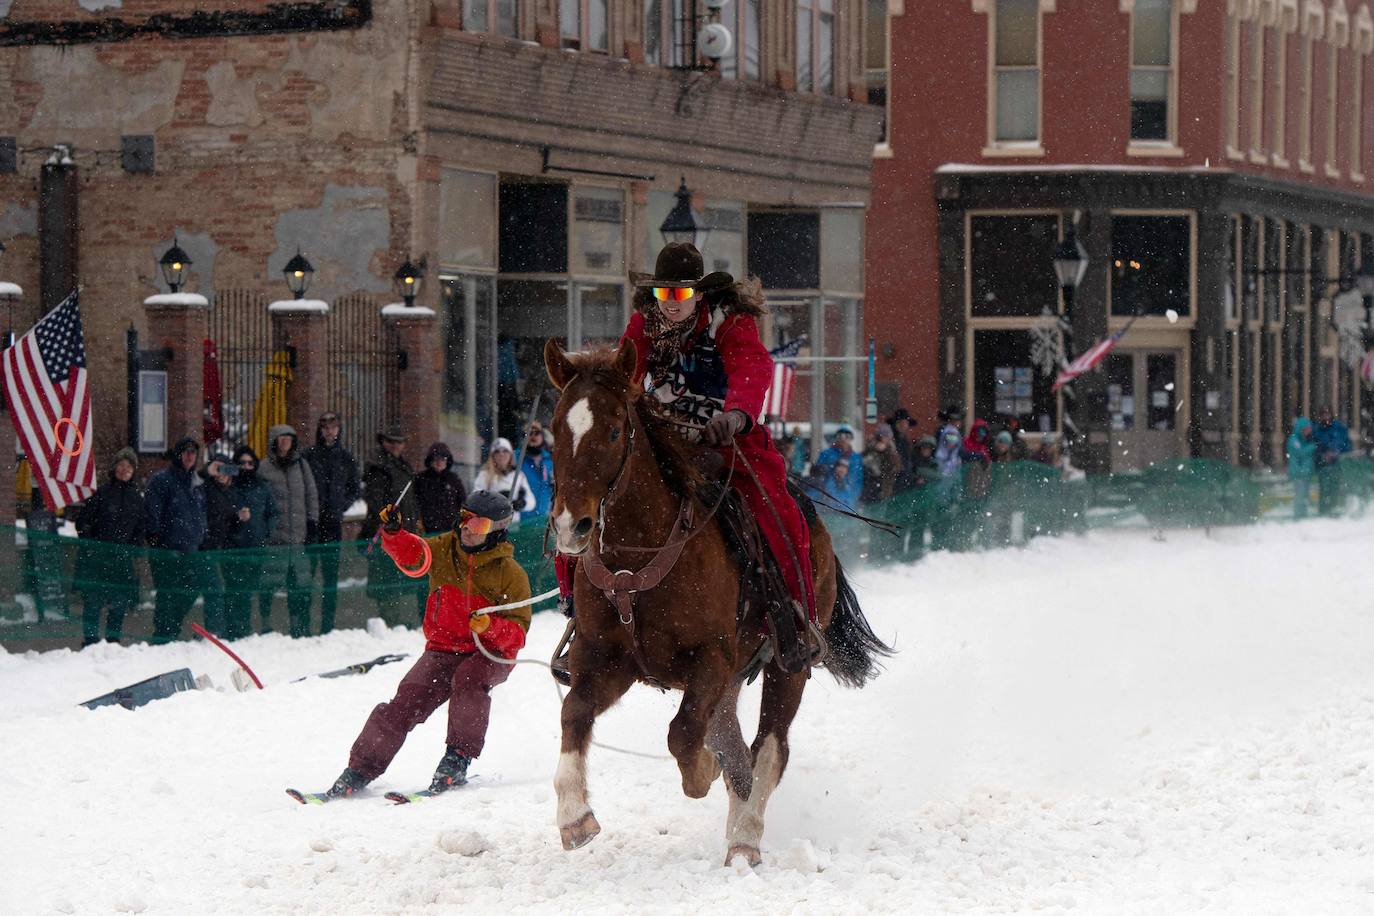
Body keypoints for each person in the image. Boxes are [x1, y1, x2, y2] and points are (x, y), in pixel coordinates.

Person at [555, 242, 817, 677]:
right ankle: (576, 613)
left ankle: (793, 614)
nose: (670, 306)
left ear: (699, 295)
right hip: (664, 439)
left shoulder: (727, 323)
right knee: (580, 495)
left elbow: (752, 369)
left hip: (727, 439)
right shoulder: (644, 325)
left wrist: (735, 415)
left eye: (679, 296)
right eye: (663, 295)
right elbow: (627, 374)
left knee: (778, 508)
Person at [317, 491, 531, 800]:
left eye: (479, 525)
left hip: (489, 652)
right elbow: (414, 556)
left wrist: (491, 627)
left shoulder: (510, 575)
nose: (468, 529)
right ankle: (361, 768)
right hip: (444, 647)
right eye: (464, 519)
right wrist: (393, 533)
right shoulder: (446, 548)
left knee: (469, 679)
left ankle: (457, 758)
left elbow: (518, 634)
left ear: (498, 530)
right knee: (406, 700)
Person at [75, 448, 145, 647]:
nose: (124, 470)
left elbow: (140, 530)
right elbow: (82, 522)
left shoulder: (137, 499)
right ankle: (90, 642)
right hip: (97, 559)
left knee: (119, 603)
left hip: (122, 560)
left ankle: (113, 642)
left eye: (129, 466)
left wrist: (135, 550)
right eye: (121, 465)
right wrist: (92, 543)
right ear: (115, 467)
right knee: (93, 602)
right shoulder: (101, 493)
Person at [143, 437, 210, 644]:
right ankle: (163, 635)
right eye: (186, 453)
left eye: (193, 453)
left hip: (191, 549)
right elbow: (152, 512)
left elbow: (201, 513)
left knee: (189, 591)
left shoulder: (196, 483)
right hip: (167, 550)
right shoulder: (162, 480)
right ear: (178, 455)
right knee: (167, 594)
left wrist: (203, 538)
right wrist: (156, 540)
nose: (190, 457)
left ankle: (172, 627)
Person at [257, 424, 320, 637]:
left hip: (298, 538)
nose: (285, 442)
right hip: (275, 539)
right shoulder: (264, 467)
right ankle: (267, 625)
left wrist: (312, 522)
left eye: (289, 439)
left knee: (300, 586)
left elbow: (311, 495)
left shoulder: (301, 466)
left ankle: (300, 626)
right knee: (269, 585)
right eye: (281, 438)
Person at [304, 411, 361, 635]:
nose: (329, 431)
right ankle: (304, 625)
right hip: (312, 522)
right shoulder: (309, 456)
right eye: (326, 427)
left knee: (330, 577)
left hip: (333, 523)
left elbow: (354, 489)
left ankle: (327, 626)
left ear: (339, 429)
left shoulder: (346, 458)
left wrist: (340, 506)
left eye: (333, 427)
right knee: (306, 575)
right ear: (320, 429)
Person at [362, 427, 422, 626]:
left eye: (400, 442)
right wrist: (389, 520)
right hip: (388, 532)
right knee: (387, 577)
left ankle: (395, 621)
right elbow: (376, 500)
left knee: (398, 575)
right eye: (391, 441)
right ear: (384, 442)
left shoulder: (401, 465)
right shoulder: (379, 466)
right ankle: (390, 621)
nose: (396, 445)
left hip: (403, 531)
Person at [223, 446, 277, 640]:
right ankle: (233, 628)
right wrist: (236, 518)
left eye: (250, 463)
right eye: (242, 463)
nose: (246, 466)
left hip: (256, 547)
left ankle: (245, 627)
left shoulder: (262, 486)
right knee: (234, 590)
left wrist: (265, 532)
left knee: (249, 590)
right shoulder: (230, 485)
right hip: (234, 547)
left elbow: (272, 512)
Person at [198, 452, 242, 636]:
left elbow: (229, 521)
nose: (222, 473)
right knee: (213, 591)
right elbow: (195, 480)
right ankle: (215, 632)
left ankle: (225, 630)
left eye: (226, 469)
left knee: (223, 590)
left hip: (223, 549)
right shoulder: (204, 486)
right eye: (218, 469)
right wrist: (207, 472)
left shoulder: (232, 492)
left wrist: (240, 519)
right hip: (205, 548)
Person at [472, 438, 536, 520]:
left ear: (510, 454)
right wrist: (495, 502)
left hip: (514, 526)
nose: (501, 454)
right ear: (492, 456)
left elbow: (531, 501)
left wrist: (522, 503)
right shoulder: (484, 475)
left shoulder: (519, 476)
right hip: (493, 526)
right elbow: (475, 502)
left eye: (505, 451)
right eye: (497, 451)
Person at [415, 442, 468, 534]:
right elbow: (415, 503)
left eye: (443, 459)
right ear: (430, 460)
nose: (439, 462)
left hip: (450, 529)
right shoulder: (421, 479)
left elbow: (463, 502)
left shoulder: (453, 479)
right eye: (436, 458)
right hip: (428, 529)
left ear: (447, 461)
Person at [813, 424, 864, 509]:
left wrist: (853, 499)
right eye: (840, 436)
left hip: (846, 503)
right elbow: (816, 474)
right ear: (836, 437)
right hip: (825, 499)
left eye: (847, 436)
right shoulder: (826, 454)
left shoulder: (856, 458)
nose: (843, 439)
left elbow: (857, 481)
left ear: (851, 438)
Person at [1312, 406, 1351, 515]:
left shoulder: (1339, 429)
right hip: (1323, 466)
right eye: (1323, 414)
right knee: (1324, 490)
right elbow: (1314, 448)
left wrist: (1336, 452)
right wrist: (1322, 456)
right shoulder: (1317, 430)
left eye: (1327, 414)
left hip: (1337, 466)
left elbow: (1346, 445)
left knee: (1335, 489)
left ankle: (1333, 510)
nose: (1325, 416)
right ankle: (1324, 512)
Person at [519, 422, 556, 519]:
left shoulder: (550, 460)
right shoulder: (515, 458)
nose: (533, 436)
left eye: (537, 433)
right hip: (521, 521)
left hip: (545, 519)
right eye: (528, 433)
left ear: (543, 435)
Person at [860, 423, 903, 505]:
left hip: (885, 486)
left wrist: (885, 451)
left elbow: (895, 467)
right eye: (883, 436)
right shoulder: (871, 447)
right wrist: (874, 450)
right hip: (869, 485)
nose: (885, 439)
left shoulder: (892, 450)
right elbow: (863, 461)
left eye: (887, 436)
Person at [1287, 416, 1317, 520]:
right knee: (1300, 497)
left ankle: (1302, 517)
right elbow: (1301, 453)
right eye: (1307, 429)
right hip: (1298, 473)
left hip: (1305, 473)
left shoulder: (1305, 441)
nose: (1309, 431)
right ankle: (1298, 517)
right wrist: (1313, 447)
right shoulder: (1294, 440)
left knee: (1303, 496)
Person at [888, 408, 916, 474]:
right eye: (899, 422)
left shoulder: (905, 440)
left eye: (905, 422)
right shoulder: (890, 439)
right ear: (894, 424)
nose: (902, 425)